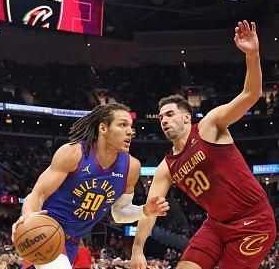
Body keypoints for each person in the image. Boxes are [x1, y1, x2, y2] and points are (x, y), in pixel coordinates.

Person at [130, 20, 276, 269]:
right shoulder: (166, 167)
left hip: (253, 220)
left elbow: (251, 94)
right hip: (216, 225)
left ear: (187, 117)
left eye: (170, 114)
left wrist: (252, 54)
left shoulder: (210, 126)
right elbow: (150, 210)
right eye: (161, 117)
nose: (164, 120)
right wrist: (137, 250)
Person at [12, 103, 170, 269]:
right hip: (47, 232)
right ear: (103, 128)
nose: (130, 131)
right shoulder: (74, 153)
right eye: (123, 125)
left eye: (131, 126)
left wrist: (144, 210)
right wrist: (29, 216)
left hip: (73, 243)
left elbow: (119, 215)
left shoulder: (132, 167)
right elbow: (37, 195)